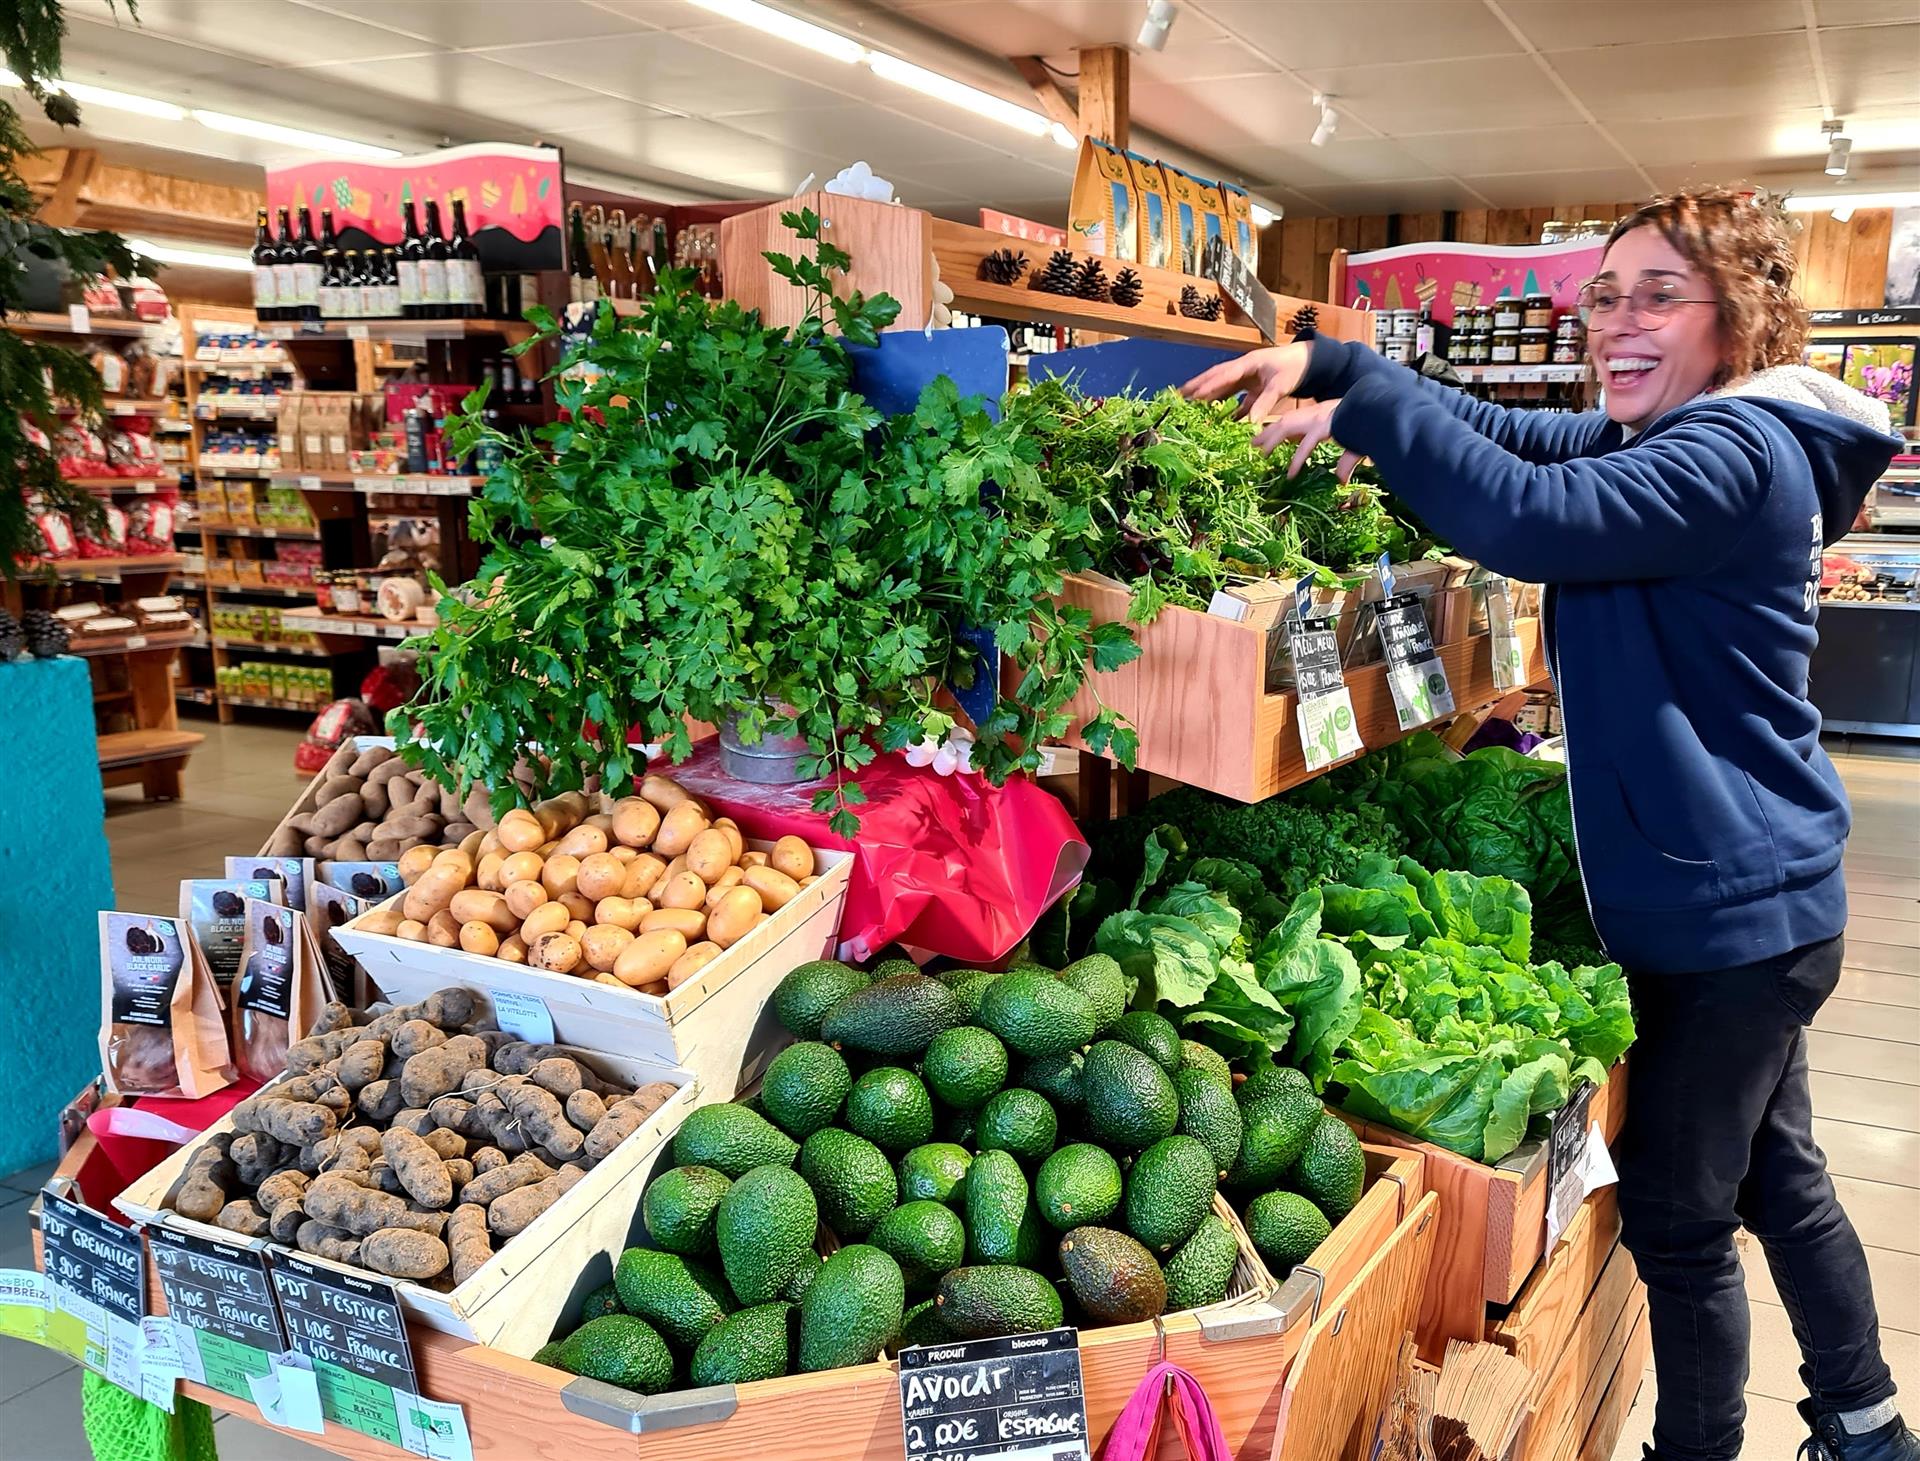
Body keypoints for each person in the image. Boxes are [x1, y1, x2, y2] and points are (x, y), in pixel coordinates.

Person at [1183, 187, 1911, 1461]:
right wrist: (1346, 364)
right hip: (1756, 897)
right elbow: (1515, 444)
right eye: (1605, 296)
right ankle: (1866, 1421)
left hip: (1722, 920)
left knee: (1684, 1227)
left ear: (1737, 319)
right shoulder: (1699, 435)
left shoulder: (1729, 455)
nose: (1618, 325)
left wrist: (1366, 411)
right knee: (1778, 1175)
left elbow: (1533, 518)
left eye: (1660, 296)